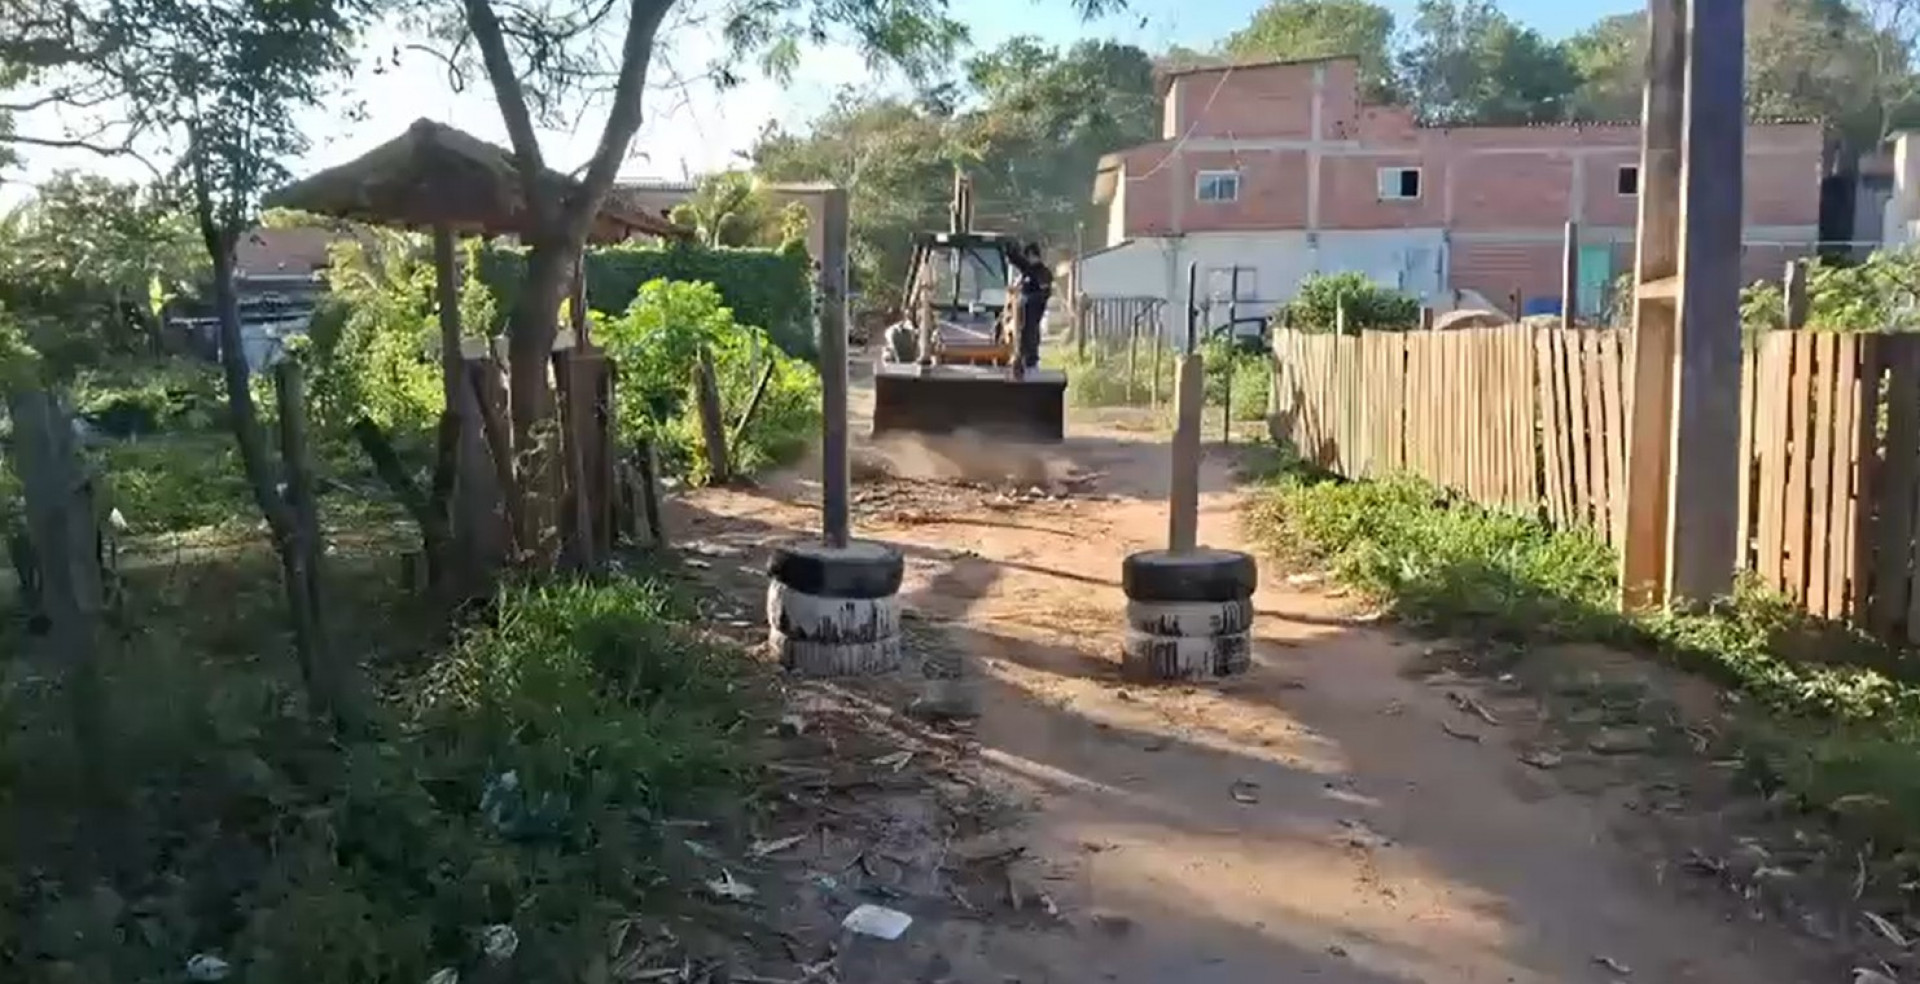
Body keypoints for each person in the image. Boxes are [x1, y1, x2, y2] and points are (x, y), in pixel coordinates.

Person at [1007, 241, 1052, 371]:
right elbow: (1020, 263)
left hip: (1032, 310)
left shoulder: (1042, 272)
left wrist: (1027, 299)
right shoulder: (1028, 271)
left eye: (1027, 257)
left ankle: (1030, 360)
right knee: (1022, 330)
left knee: (1029, 330)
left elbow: (1044, 293)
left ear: (1032, 255)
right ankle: (1020, 357)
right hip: (1024, 310)